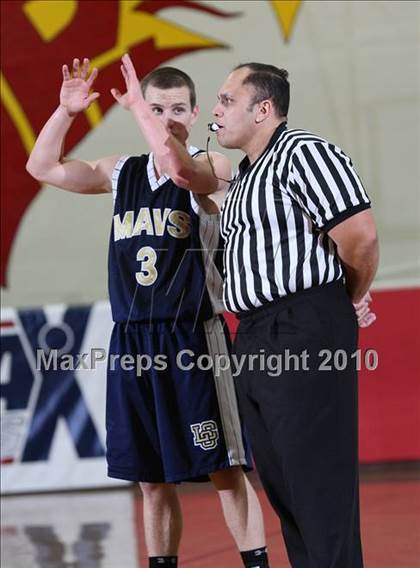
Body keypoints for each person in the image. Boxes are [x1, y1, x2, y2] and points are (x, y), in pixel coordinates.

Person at [26, 56, 271, 568]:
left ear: (196, 111)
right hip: (133, 341)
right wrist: (66, 111)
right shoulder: (122, 172)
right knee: (151, 480)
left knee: (226, 470)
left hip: (193, 337)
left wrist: (140, 109)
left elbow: (180, 168)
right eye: (156, 108)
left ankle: (258, 562)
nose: (166, 118)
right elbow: (41, 167)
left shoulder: (213, 167)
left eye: (177, 109)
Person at [211, 62, 379, 567]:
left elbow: (360, 235)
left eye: (225, 100)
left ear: (263, 109)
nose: (215, 112)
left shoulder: (302, 152)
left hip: (303, 325)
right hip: (256, 333)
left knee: (317, 483)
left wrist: (343, 299)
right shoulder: (244, 178)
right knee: (284, 487)